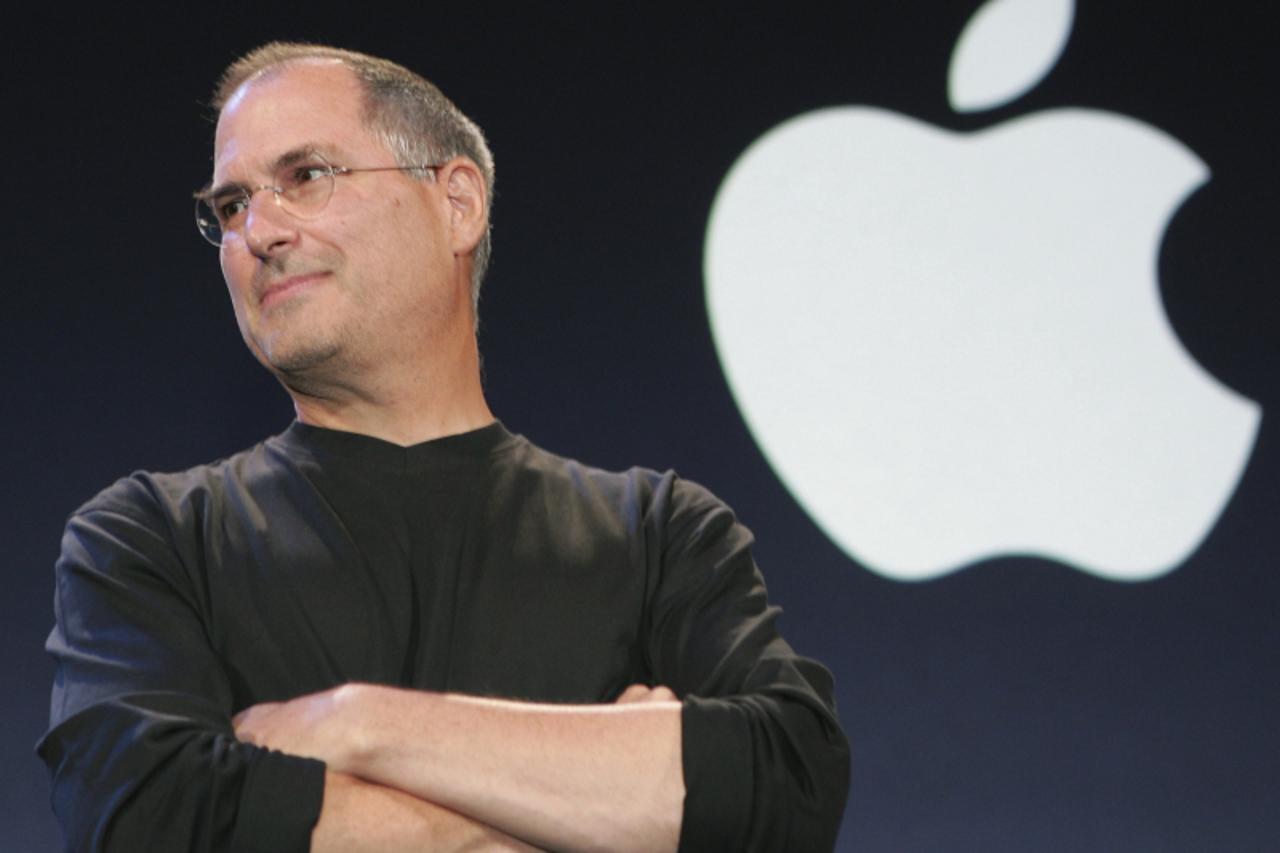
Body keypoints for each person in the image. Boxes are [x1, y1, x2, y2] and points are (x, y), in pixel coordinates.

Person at [38, 43, 850, 852]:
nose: (259, 231)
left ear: (457, 202)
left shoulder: (659, 535)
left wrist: (353, 724)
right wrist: (592, 804)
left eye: (306, 176)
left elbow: (786, 784)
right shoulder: (150, 540)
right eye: (231, 205)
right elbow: (147, 817)